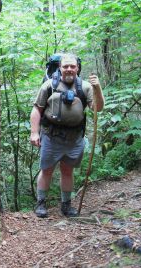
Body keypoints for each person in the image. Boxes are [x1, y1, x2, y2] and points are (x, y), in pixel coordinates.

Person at [30, 53, 104, 218]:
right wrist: (34, 132)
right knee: (46, 170)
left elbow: (97, 108)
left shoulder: (85, 87)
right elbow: (37, 109)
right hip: (51, 136)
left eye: (72, 66)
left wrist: (97, 88)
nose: (69, 69)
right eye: (65, 66)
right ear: (60, 68)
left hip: (74, 138)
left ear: (77, 68)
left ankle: (66, 205)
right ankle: (41, 203)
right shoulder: (49, 85)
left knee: (67, 171)